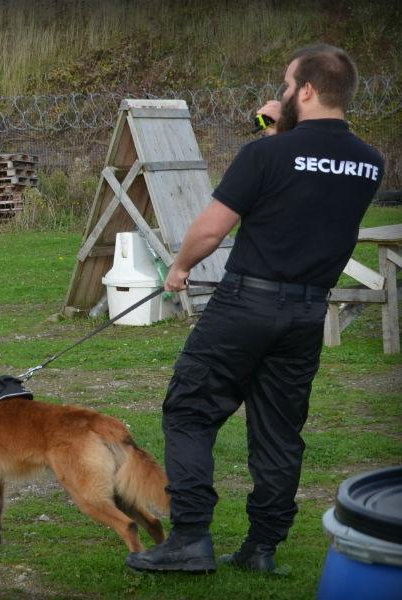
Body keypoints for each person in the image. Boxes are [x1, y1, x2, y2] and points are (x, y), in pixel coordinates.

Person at [125, 44, 384, 574]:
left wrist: (178, 267)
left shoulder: (263, 154)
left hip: (246, 303)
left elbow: (213, 228)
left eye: (288, 85)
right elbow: (309, 188)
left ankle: (191, 536)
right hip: (308, 312)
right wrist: (280, 133)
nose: (282, 93)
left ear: (307, 90)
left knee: (190, 410)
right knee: (279, 431)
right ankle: (261, 549)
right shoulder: (370, 162)